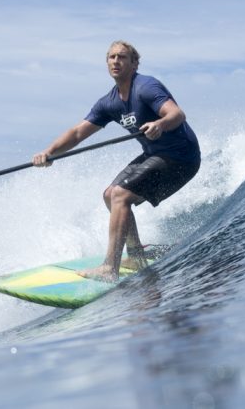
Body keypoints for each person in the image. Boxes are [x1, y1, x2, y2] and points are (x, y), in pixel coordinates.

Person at [32, 40, 200, 282]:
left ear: (134, 63)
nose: (116, 61)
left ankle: (110, 268)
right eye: (111, 57)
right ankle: (135, 254)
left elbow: (177, 114)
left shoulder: (146, 87)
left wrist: (159, 124)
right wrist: (49, 152)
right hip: (156, 155)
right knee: (110, 194)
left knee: (121, 195)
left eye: (122, 57)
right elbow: (79, 132)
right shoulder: (109, 102)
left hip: (181, 157)